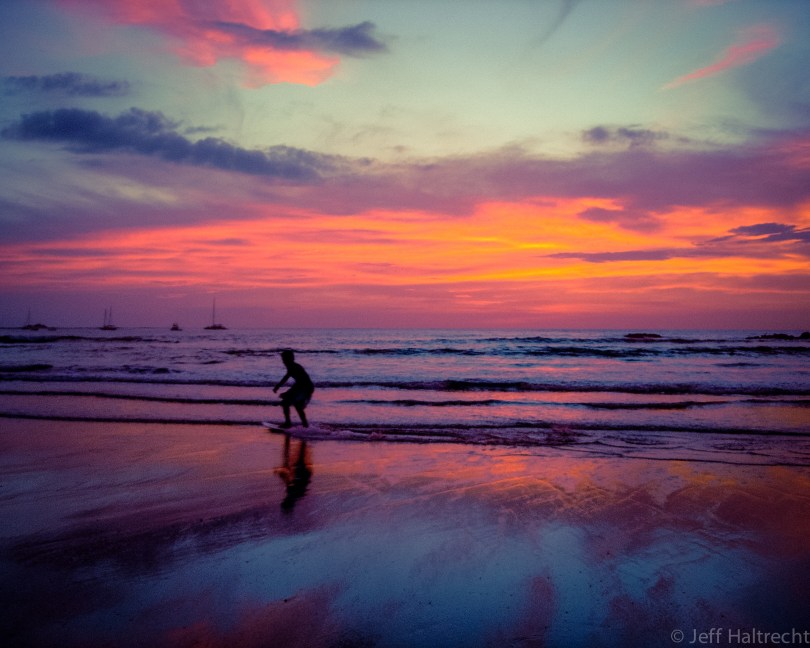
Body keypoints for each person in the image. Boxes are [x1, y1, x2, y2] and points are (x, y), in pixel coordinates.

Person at [273, 349, 314, 428]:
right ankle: (305, 425)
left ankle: (288, 423)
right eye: (283, 360)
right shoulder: (291, 366)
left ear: (290, 359)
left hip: (306, 388)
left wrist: (288, 392)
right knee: (296, 405)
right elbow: (286, 377)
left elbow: (301, 383)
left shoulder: (295, 367)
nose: (283, 362)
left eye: (284, 360)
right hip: (304, 388)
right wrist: (277, 386)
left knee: (285, 403)